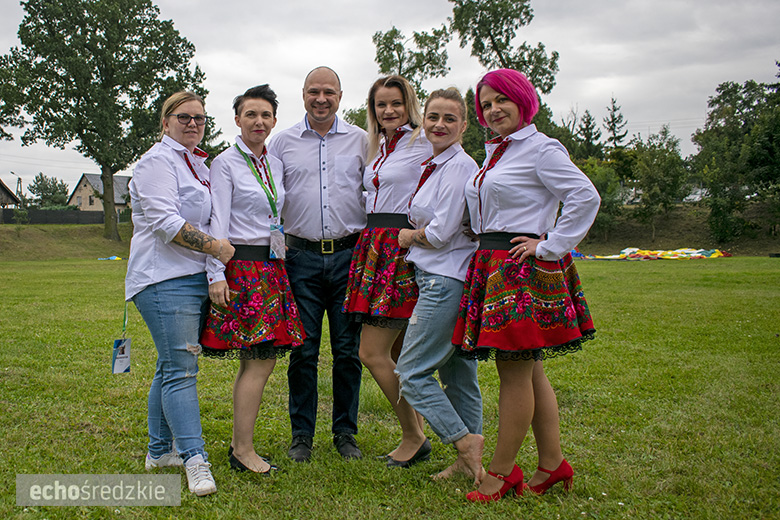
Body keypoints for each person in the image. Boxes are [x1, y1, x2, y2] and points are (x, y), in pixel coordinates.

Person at [452, 69, 600, 502]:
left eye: (502, 100)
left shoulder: (541, 148)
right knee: (530, 369)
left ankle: (500, 473)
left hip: (520, 268)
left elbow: (584, 196)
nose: (493, 109)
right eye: (486, 104)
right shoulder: (494, 153)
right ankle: (553, 464)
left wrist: (550, 244)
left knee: (513, 372)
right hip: (493, 262)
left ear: (523, 101)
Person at [126, 91, 235, 497]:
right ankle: (194, 459)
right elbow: (165, 222)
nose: (193, 123)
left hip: (190, 277)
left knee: (170, 365)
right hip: (162, 279)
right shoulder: (157, 162)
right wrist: (217, 249)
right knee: (182, 369)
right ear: (166, 121)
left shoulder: (197, 166)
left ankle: (159, 452)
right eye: (184, 117)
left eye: (200, 118)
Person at [199, 85, 305, 474]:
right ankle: (243, 449)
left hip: (272, 266)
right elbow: (218, 222)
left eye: (265, 115)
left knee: (259, 361)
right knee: (258, 363)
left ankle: (241, 446)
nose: (258, 122)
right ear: (238, 120)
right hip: (241, 267)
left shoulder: (273, 163)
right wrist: (216, 273)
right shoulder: (226, 163)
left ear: (274, 121)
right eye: (250, 115)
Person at [267, 67, 368, 462]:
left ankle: (345, 433)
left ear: (341, 96)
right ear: (303, 94)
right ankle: (301, 436)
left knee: (347, 350)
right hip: (301, 257)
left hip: (349, 255)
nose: (321, 98)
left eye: (329, 92)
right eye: (313, 91)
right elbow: (270, 201)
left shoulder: (362, 140)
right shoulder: (282, 143)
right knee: (303, 350)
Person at [395, 88, 485, 483]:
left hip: (445, 278)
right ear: (424, 121)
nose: (439, 125)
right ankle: (470, 466)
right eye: (433, 117)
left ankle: (464, 443)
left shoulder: (459, 167)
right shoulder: (435, 165)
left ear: (463, 126)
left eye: (449, 118)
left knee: (411, 372)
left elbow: (442, 232)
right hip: (448, 274)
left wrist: (408, 237)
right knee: (460, 374)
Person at [342, 75, 431, 467]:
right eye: (381, 105)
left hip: (400, 246)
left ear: (408, 104)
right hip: (372, 245)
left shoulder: (425, 141)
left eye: (396, 103)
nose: (389, 111)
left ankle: (414, 436)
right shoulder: (376, 146)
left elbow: (454, 180)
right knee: (396, 350)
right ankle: (416, 431)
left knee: (371, 351)